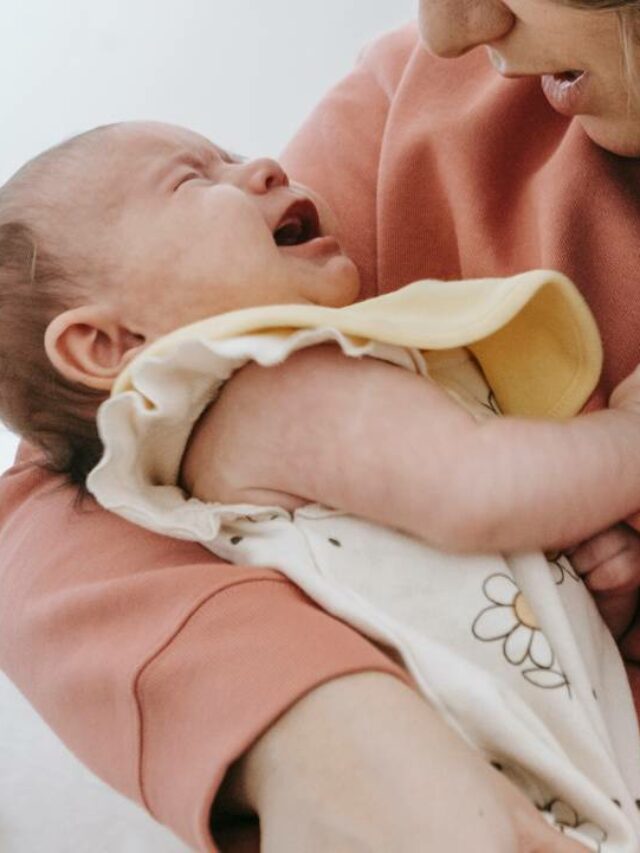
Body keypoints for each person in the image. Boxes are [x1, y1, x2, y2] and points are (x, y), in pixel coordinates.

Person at [1, 0, 640, 848]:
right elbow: (481, 488)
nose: (262, 164)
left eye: (227, 155)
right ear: (108, 343)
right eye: (196, 180)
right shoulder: (272, 384)